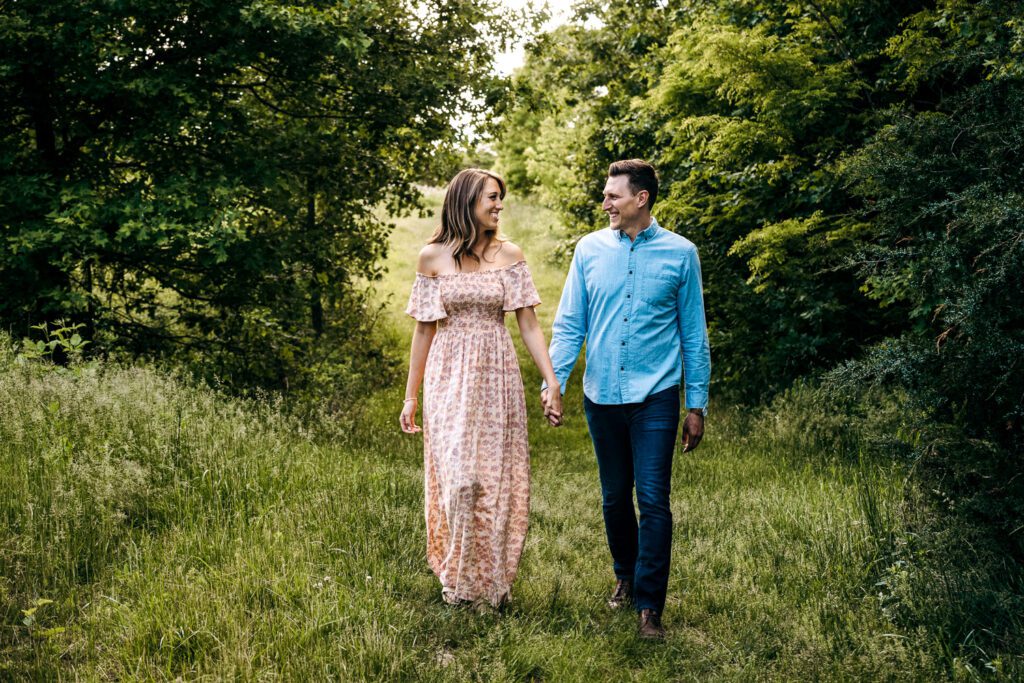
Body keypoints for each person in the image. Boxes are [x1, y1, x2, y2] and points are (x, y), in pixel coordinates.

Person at [543, 159, 711, 639]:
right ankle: (625, 574)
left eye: (613, 195)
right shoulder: (589, 250)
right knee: (615, 497)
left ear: (642, 198)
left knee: (654, 500)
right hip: (601, 394)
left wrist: (695, 405)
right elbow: (571, 323)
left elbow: (694, 335)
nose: (605, 203)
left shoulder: (681, 254)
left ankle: (649, 608)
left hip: (656, 395)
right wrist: (552, 382)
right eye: (605, 194)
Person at [400, 168, 562, 609]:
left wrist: (551, 380)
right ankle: (458, 575)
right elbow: (423, 331)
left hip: (496, 375)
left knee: (492, 480)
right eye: (491, 197)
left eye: (500, 198)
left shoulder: (509, 255)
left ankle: (490, 584)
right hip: (448, 377)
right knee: (459, 480)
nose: (498, 205)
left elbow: (528, 324)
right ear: (466, 201)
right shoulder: (431, 257)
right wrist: (411, 396)